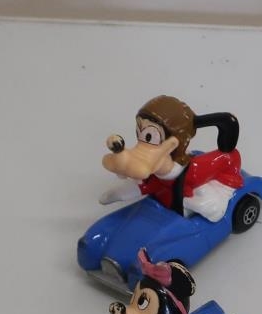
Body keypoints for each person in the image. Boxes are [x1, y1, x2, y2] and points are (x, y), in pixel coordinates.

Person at [99, 95, 243, 222]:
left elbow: (212, 208)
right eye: (139, 133)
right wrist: (120, 192)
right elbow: (151, 183)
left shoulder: (191, 174)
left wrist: (193, 203)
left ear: (172, 144)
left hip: (216, 178)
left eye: (149, 137)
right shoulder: (160, 172)